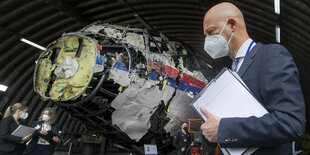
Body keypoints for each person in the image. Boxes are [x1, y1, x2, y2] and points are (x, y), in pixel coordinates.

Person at [200, 2, 305, 154]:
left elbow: (291, 122)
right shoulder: (232, 72)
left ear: (232, 25)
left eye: (211, 32)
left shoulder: (271, 55)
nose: (207, 40)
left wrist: (224, 129)